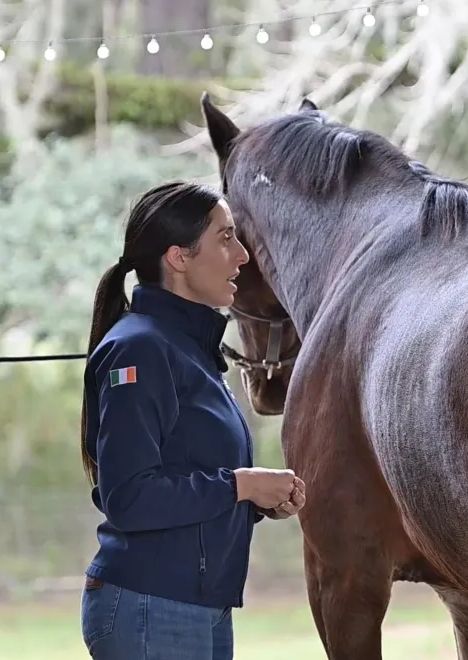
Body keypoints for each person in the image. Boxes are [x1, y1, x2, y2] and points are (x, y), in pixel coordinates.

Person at [77, 180, 305, 660]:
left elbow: (185, 481)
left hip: (198, 607)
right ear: (178, 258)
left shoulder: (188, 349)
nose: (243, 255)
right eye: (226, 238)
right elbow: (131, 497)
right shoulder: (138, 348)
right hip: (150, 609)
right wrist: (240, 486)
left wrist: (258, 498)